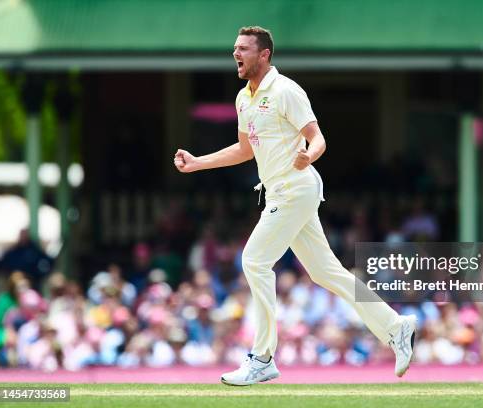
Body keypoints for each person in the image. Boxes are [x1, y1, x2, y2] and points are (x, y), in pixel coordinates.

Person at [174, 26, 416, 386]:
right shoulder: (244, 98)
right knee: (325, 272)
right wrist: (198, 162)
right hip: (278, 192)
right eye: (234, 49)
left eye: (243, 49)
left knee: (254, 260)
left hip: (296, 188)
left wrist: (308, 155)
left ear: (264, 54)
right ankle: (396, 327)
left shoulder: (286, 90)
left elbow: (317, 138)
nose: (236, 55)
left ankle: (262, 357)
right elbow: (245, 149)